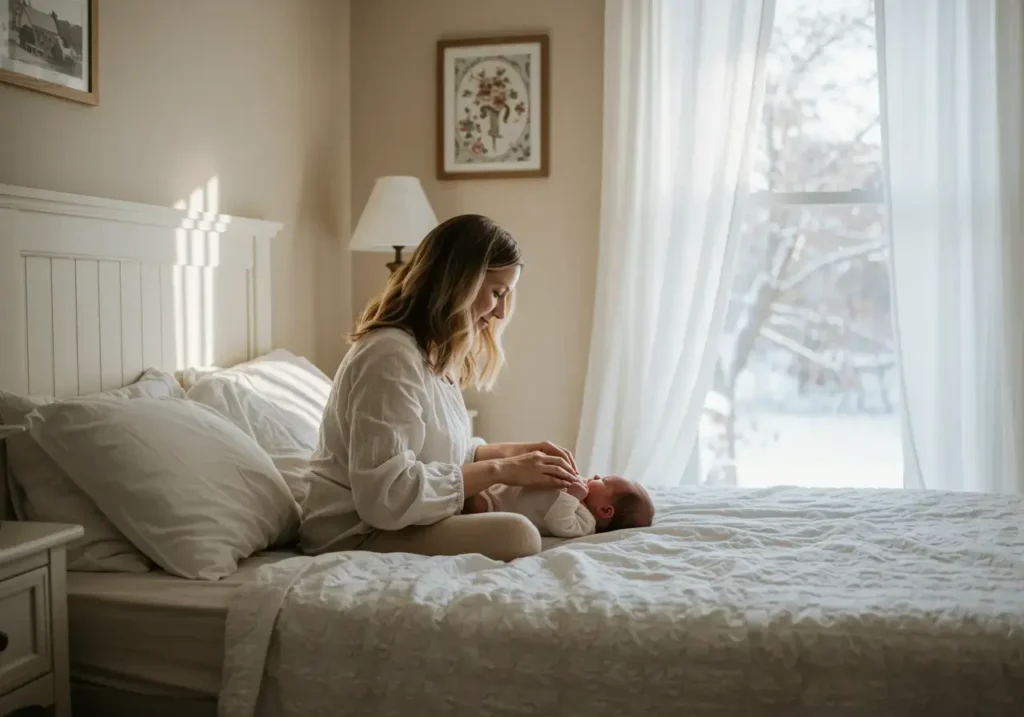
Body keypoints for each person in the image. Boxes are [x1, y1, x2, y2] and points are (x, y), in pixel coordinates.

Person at [299, 214, 585, 561]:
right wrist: (502, 470)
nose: (500, 312)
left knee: (521, 517)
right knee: (518, 534)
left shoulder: (431, 353)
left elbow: (442, 454)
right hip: (355, 534)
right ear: (459, 283)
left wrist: (518, 454)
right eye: (497, 293)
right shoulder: (390, 355)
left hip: (392, 523)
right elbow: (386, 497)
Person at [462, 475, 655, 539]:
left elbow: (559, 523)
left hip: (496, 505)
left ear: (605, 510)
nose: (596, 476)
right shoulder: (582, 492)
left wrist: (572, 497)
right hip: (503, 486)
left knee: (472, 503)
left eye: (604, 480)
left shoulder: (585, 523)